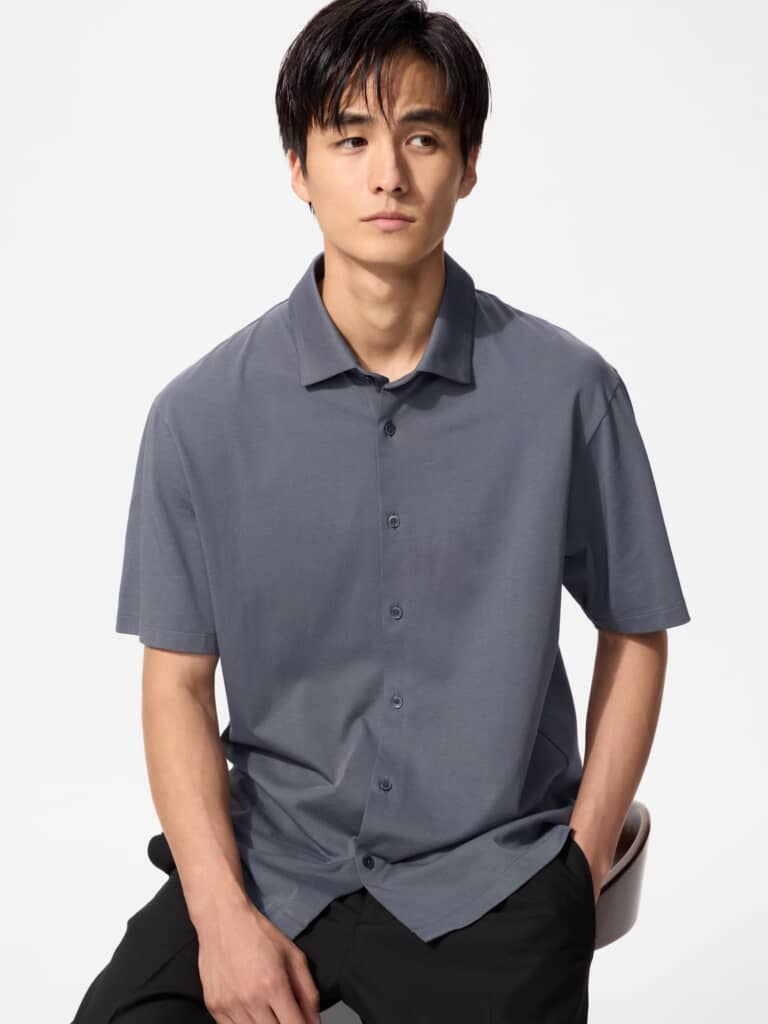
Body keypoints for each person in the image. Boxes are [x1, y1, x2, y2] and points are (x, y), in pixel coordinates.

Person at [69, 1, 692, 1022]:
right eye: (350, 138)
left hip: (491, 879)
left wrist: (575, 874)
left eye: (423, 137)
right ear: (298, 166)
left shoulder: (568, 393)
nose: (388, 174)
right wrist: (220, 917)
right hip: (270, 864)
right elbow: (176, 685)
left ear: (469, 164)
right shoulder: (197, 417)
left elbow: (636, 628)